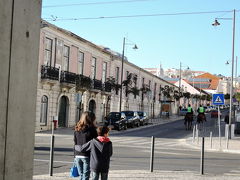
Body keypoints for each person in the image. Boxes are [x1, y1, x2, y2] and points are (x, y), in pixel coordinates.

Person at [74, 111, 98, 180]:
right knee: (86, 176)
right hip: (87, 155)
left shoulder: (77, 129)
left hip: (78, 155)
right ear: (91, 119)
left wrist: (75, 156)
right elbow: (95, 144)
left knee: (82, 176)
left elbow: (75, 143)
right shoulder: (93, 130)